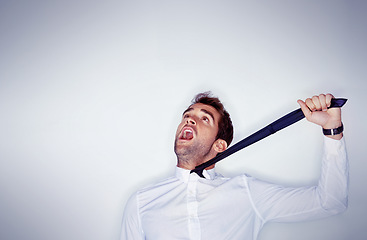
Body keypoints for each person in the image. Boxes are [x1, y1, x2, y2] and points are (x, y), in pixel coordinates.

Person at [120, 92, 348, 240]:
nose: (189, 120)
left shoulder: (246, 192)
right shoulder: (141, 203)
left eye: (204, 118)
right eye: (187, 116)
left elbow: (330, 203)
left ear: (220, 145)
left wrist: (332, 130)